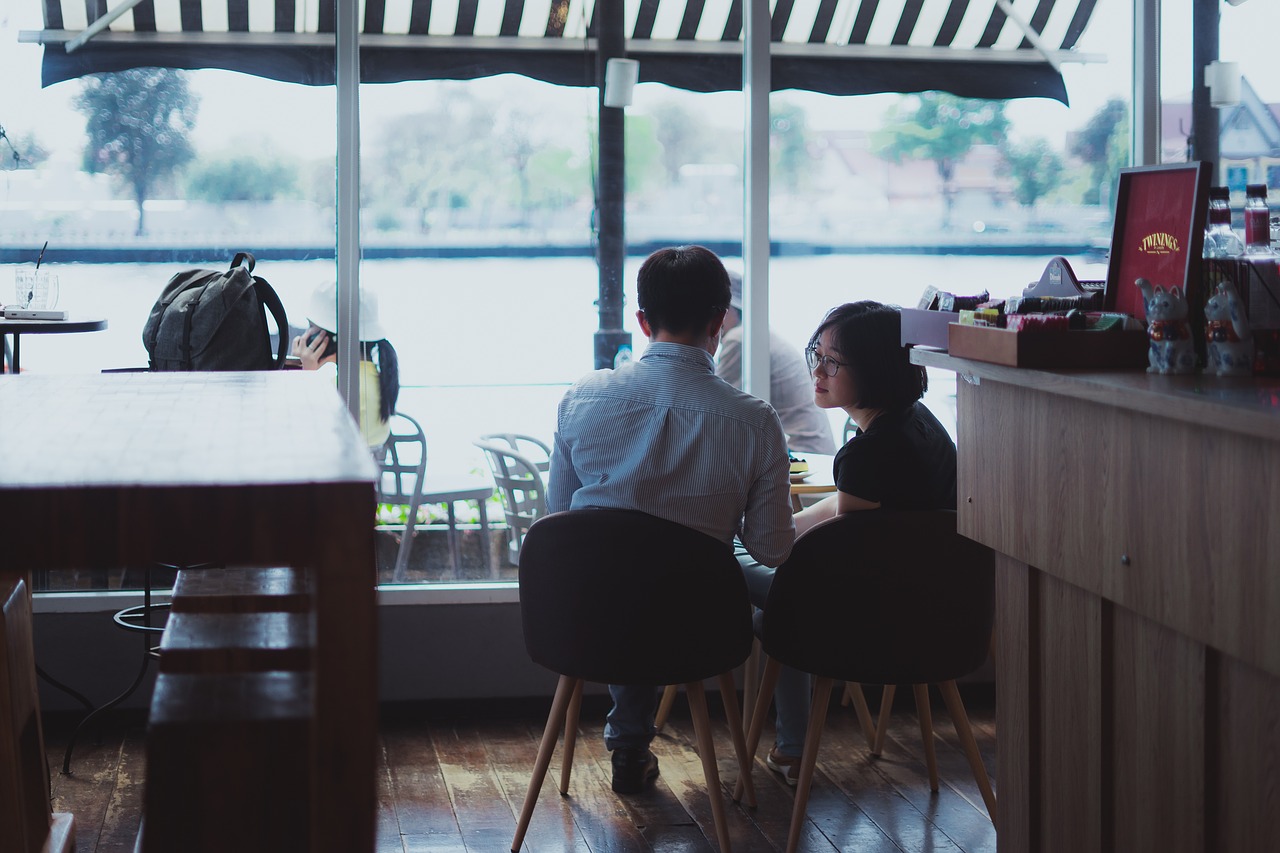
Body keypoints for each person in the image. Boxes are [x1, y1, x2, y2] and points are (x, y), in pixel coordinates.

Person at [548, 245, 795, 795]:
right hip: (699, 626)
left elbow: (559, 517)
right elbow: (772, 549)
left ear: (641, 320)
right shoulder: (754, 421)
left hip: (592, 615)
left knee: (627, 569)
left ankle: (628, 744)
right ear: (720, 321)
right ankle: (785, 747)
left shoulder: (582, 397)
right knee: (678, 576)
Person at [743, 300, 957, 786]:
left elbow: (837, 540)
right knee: (763, 573)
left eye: (832, 362)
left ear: (876, 368)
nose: (816, 372)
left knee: (735, 575)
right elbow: (843, 514)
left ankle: (794, 749)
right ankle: (792, 748)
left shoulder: (869, 454)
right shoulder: (920, 427)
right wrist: (775, 533)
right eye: (814, 355)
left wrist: (749, 536)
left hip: (868, 622)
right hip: (937, 614)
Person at [716, 271, 836, 455]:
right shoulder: (757, 335)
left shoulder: (740, 340)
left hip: (800, 455)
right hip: (813, 453)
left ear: (733, 308)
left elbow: (716, 412)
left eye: (720, 308)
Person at [291, 281, 400, 450]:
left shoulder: (339, 391)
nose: (305, 337)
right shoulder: (376, 381)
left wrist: (304, 375)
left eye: (311, 328)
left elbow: (298, 432)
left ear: (330, 337)